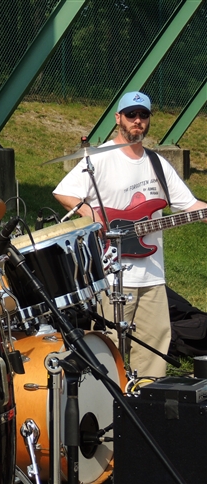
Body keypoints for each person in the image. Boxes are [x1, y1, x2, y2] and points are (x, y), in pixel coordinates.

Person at [53, 91, 207, 378]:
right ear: (118, 118)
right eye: (131, 114)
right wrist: (91, 214)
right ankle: (110, 401)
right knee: (110, 350)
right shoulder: (100, 159)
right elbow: (64, 192)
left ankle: (146, 398)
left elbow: (190, 205)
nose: (138, 120)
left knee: (154, 350)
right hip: (112, 273)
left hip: (153, 275)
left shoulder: (157, 163)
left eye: (143, 115)